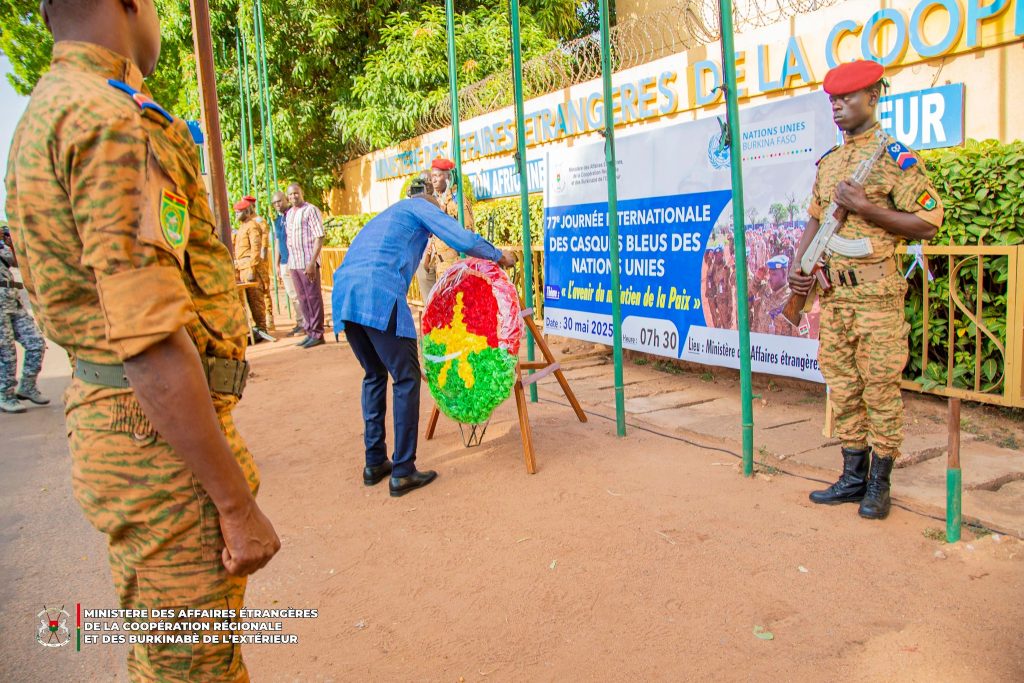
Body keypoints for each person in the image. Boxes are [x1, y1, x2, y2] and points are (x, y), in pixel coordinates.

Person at [4, 1, 280, 679]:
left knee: (170, 655)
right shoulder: (108, 119)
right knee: (193, 666)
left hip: (131, 432)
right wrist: (235, 505)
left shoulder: (53, 109)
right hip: (156, 444)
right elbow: (151, 340)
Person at [788, 60, 942, 520]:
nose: (837, 106)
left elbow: (929, 222)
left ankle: (880, 484)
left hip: (877, 299)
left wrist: (867, 208)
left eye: (847, 98)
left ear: (873, 97)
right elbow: (816, 217)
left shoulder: (896, 157)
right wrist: (801, 267)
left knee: (879, 389)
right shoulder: (830, 162)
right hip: (835, 299)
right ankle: (852, 476)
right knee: (844, 388)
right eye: (833, 100)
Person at [332, 194, 516, 497]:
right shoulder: (420, 208)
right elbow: (460, 238)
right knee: (406, 380)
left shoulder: (386, 216)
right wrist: (497, 255)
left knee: (374, 375)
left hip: (346, 297)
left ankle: (374, 462)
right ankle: (403, 471)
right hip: (378, 292)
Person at [0, 230, 48, 413]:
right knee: (6, 352)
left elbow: (16, 261)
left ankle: (28, 386)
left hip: (13, 303)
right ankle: (5, 395)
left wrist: (9, 242)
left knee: (36, 342)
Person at [284, 182, 325, 348]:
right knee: (302, 299)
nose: (294, 196)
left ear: (302, 193)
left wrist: (312, 263)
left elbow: (319, 236)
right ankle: (309, 331)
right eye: (291, 194)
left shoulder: (310, 210)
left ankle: (317, 333)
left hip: (307, 262)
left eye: (296, 193)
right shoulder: (289, 214)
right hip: (294, 263)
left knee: (313, 298)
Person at [426, 157, 476, 277]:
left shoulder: (458, 200)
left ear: (448, 177)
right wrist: (428, 256)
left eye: (438, 176)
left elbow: (467, 232)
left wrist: (445, 217)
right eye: (432, 176)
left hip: (455, 265)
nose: (434, 180)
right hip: (440, 266)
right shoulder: (436, 201)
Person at [233, 196, 274, 342]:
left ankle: (262, 328)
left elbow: (256, 249)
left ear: (247, 211)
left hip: (252, 268)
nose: (236, 215)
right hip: (241, 268)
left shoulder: (253, 225)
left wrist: (252, 268)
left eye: (239, 212)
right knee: (245, 301)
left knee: (256, 300)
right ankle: (253, 330)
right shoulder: (242, 226)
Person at [272, 190, 304, 335]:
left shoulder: (293, 214)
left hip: (296, 260)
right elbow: (278, 242)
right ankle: (300, 322)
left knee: (301, 293)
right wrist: (276, 264)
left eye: (279, 201)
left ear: (286, 200)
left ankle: (306, 323)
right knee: (292, 294)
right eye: (274, 203)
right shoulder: (277, 221)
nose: (277, 205)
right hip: (285, 262)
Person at [751, 255, 798, 337]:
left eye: (774, 274)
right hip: (760, 347)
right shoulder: (766, 289)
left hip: (780, 349)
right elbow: (750, 292)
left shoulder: (793, 300)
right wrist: (757, 278)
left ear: (784, 273)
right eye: (769, 274)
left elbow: (803, 340)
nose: (770, 278)